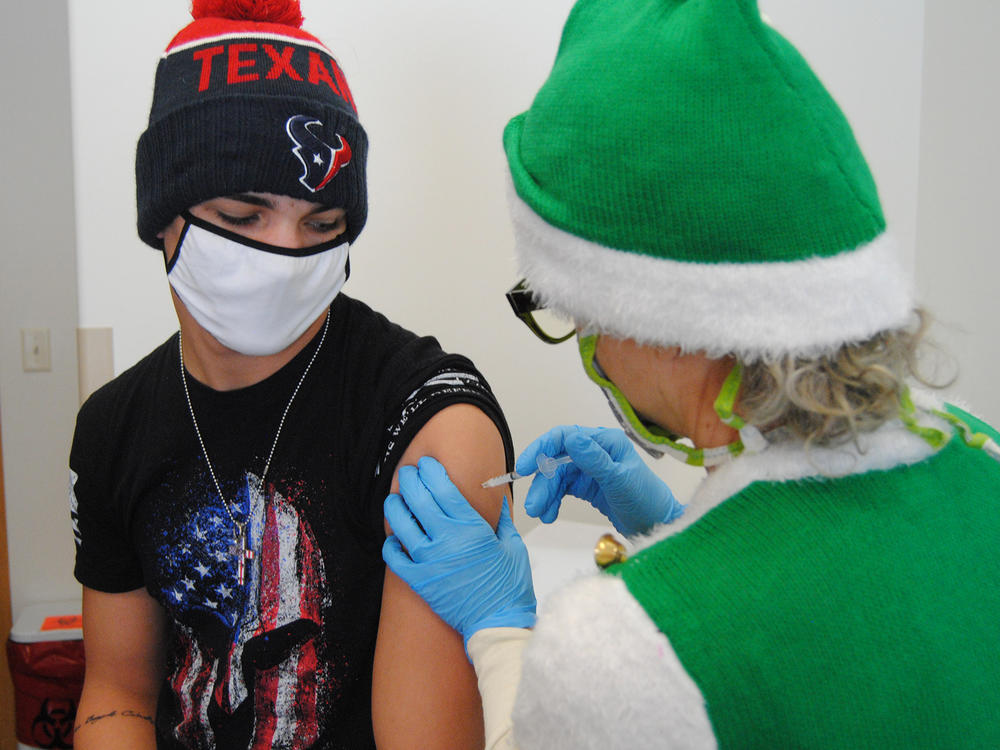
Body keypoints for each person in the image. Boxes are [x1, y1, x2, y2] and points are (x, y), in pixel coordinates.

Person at [381, 1, 1000, 748]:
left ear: (671, 322)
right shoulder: (977, 452)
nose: (593, 350)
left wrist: (499, 626)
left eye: (580, 313)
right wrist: (675, 529)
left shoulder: (616, 653)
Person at [68, 1, 513, 747]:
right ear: (162, 217)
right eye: (244, 217)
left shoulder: (427, 422)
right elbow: (117, 693)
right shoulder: (113, 426)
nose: (283, 253)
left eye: (323, 225)